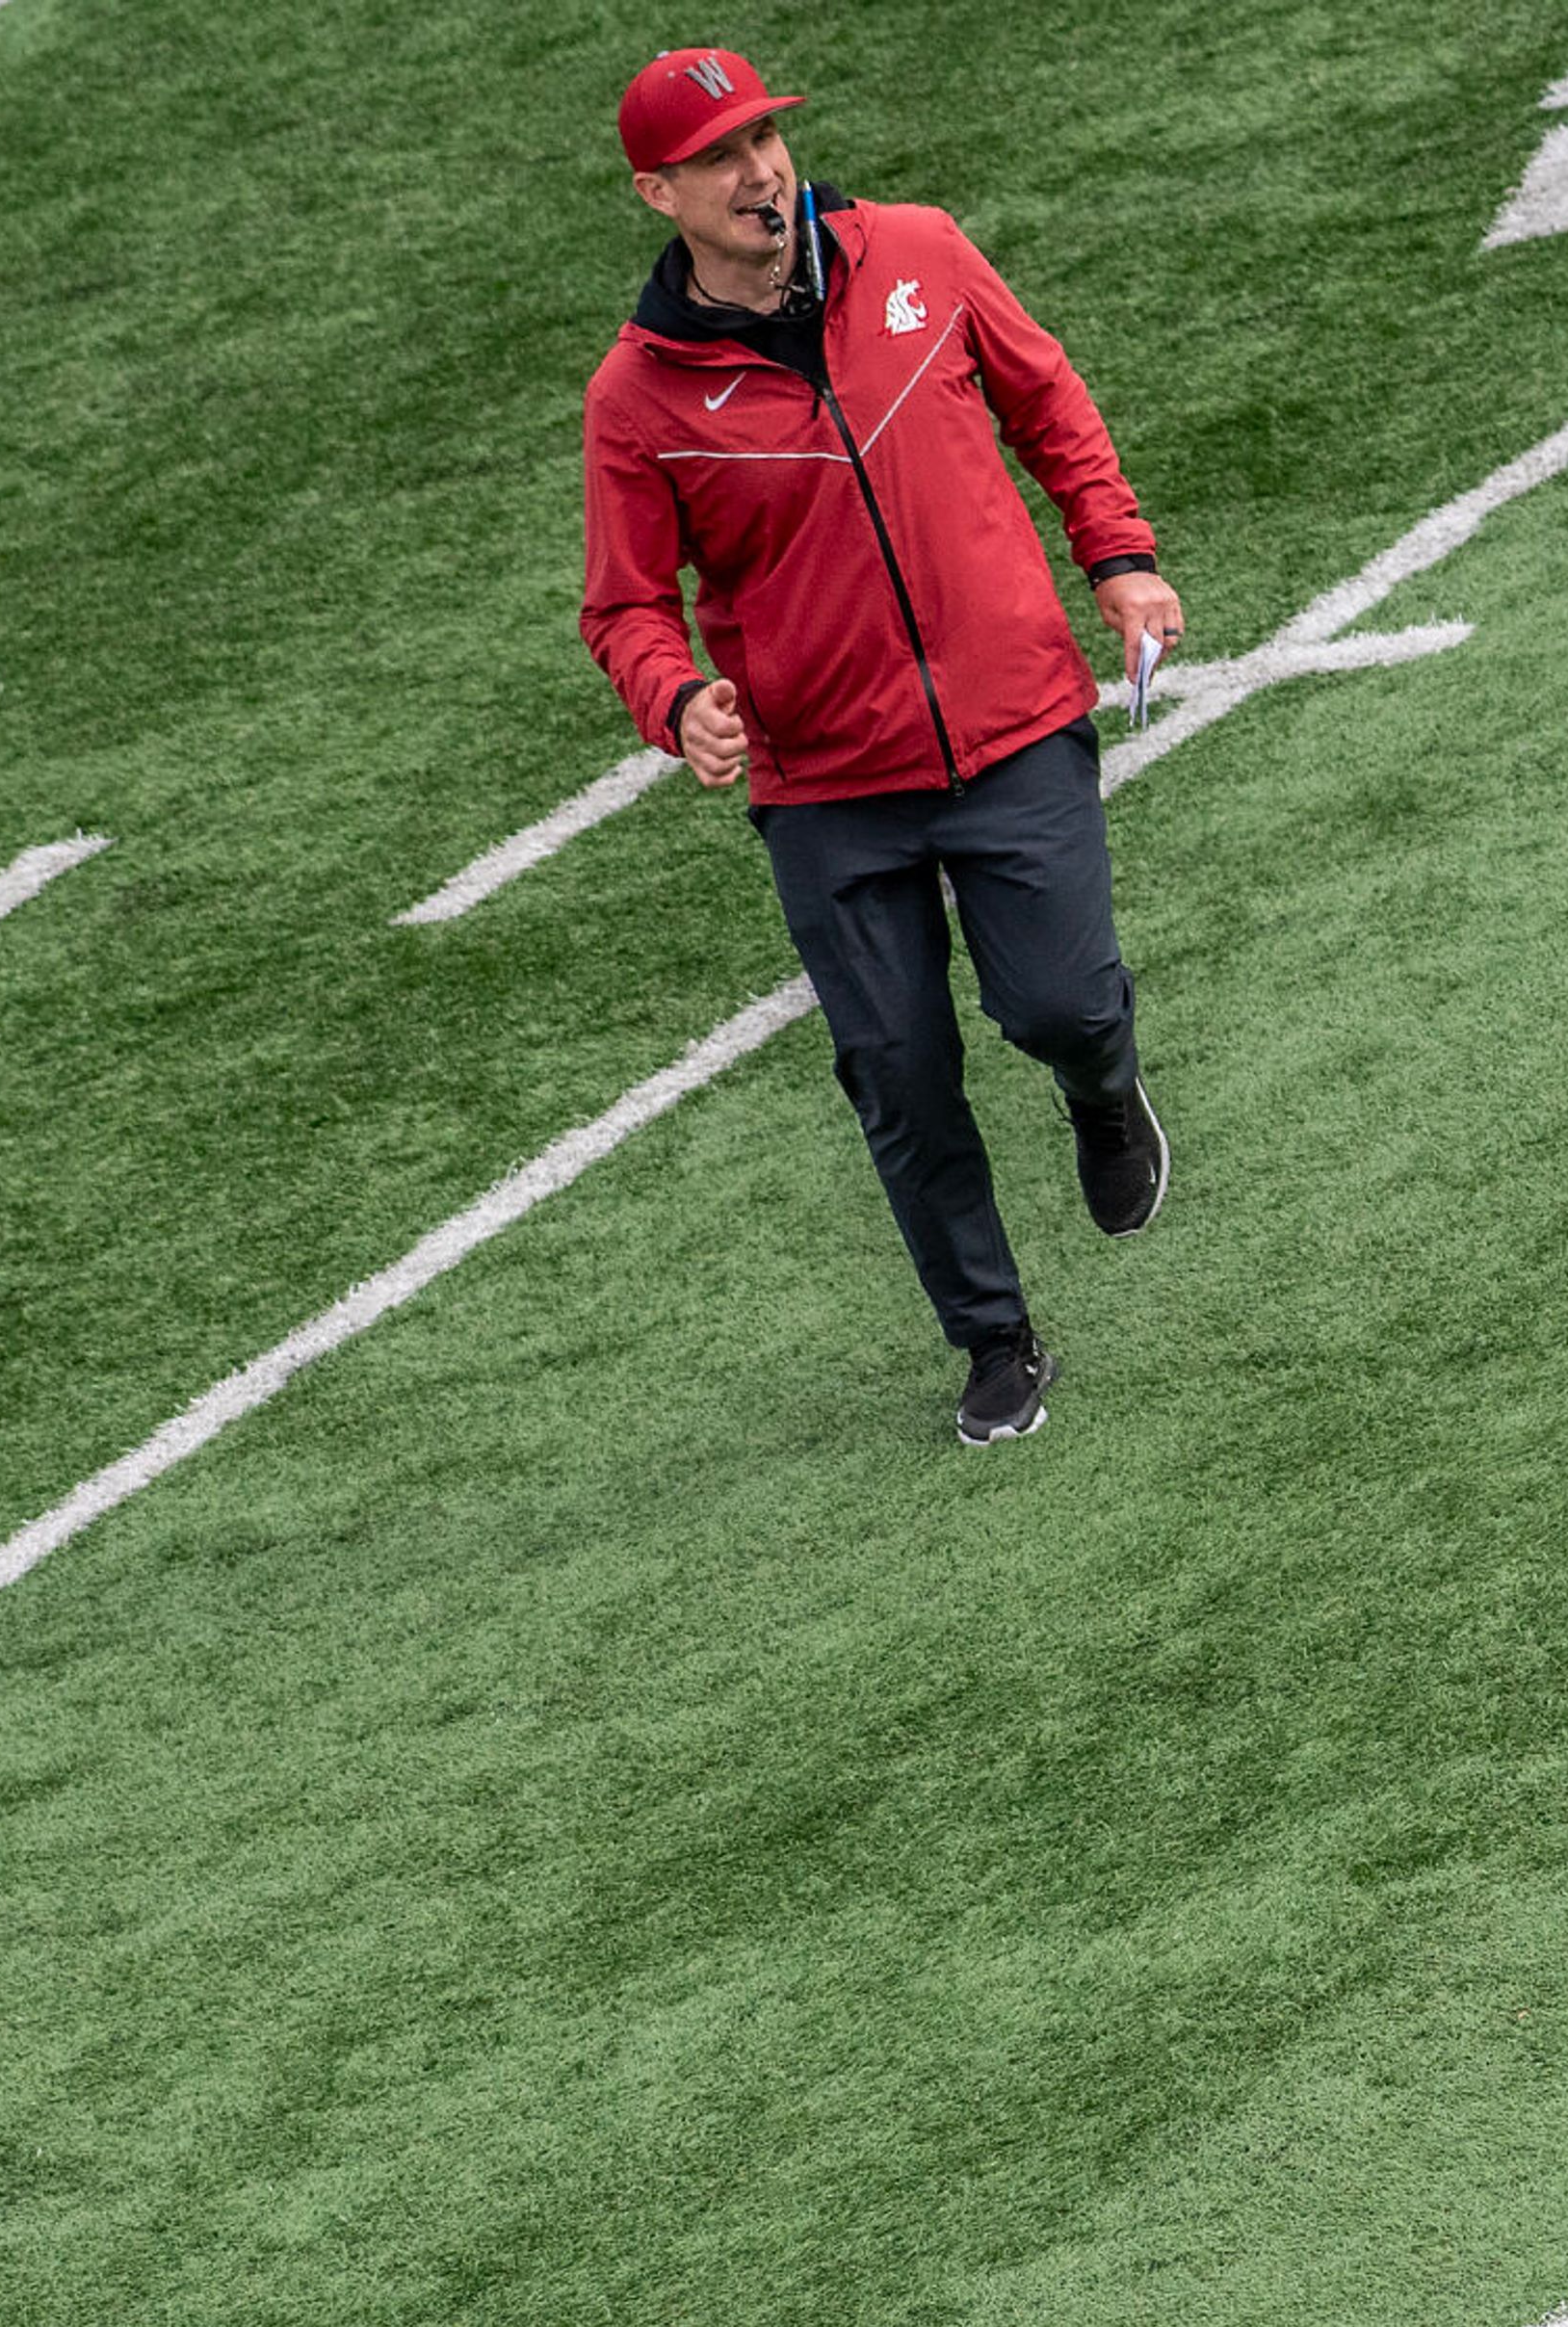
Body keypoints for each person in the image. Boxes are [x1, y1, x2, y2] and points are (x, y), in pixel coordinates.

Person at [581, 47, 1179, 1445]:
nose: (759, 172)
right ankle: (993, 1336)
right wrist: (676, 700)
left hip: (1014, 724)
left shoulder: (920, 251)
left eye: (768, 141)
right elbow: (623, 605)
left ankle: (1106, 1091)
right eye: (720, 157)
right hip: (830, 792)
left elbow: (1047, 400)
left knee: (1061, 1007)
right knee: (897, 1071)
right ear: (656, 191)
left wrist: (1121, 555)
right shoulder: (639, 397)